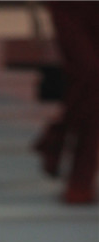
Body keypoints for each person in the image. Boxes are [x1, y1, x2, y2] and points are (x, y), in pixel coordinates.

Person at [33, 2, 99, 204]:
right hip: (68, 6)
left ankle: (80, 180)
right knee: (89, 74)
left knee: (93, 89)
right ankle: (78, 179)